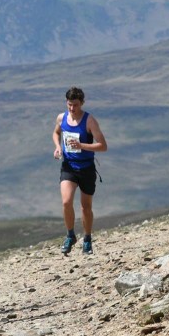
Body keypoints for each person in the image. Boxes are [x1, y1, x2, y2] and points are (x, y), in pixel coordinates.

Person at [52, 87, 108, 256]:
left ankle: (87, 239)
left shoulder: (89, 121)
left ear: (82, 103)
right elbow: (55, 133)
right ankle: (70, 235)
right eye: (69, 105)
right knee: (66, 202)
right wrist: (58, 147)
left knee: (85, 207)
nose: (72, 109)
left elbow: (103, 146)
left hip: (86, 168)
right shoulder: (62, 118)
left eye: (75, 105)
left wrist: (82, 146)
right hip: (69, 166)